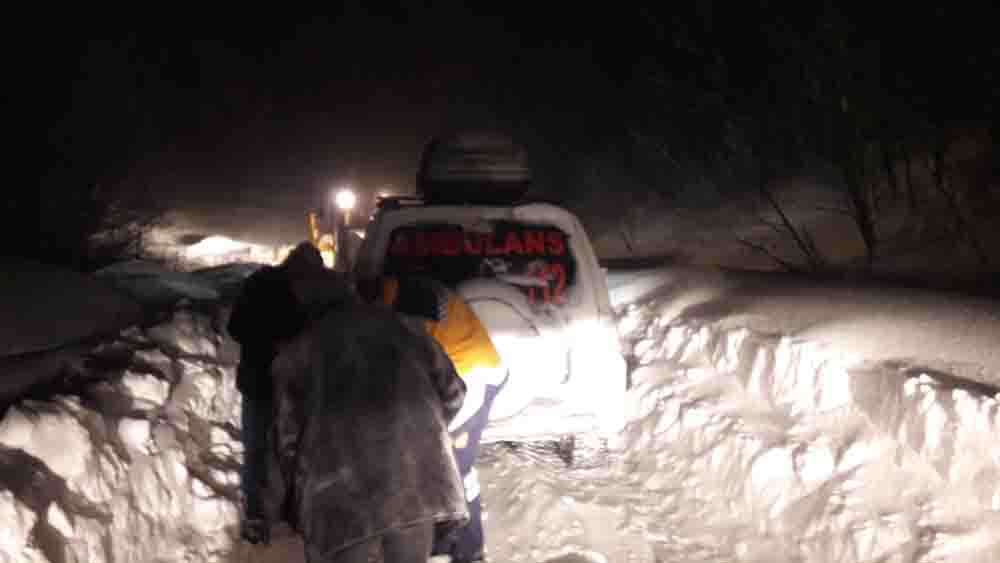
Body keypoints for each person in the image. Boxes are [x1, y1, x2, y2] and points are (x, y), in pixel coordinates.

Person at [263, 264, 470, 563]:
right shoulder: (406, 327)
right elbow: (454, 393)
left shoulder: (296, 354)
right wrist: (421, 434)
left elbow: (286, 438)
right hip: (415, 485)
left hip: (340, 497)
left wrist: (280, 505)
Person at [357, 274, 506, 563]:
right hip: (463, 369)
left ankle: (467, 550)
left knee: (452, 464)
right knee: (439, 461)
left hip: (473, 374)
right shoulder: (404, 292)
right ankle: (447, 543)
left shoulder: (408, 307)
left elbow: (412, 362)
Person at [227, 242, 323, 544]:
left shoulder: (256, 284)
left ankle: (257, 515)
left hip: (258, 381)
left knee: (257, 448)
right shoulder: (307, 294)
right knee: (295, 447)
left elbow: (235, 327)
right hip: (291, 386)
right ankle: (292, 511)